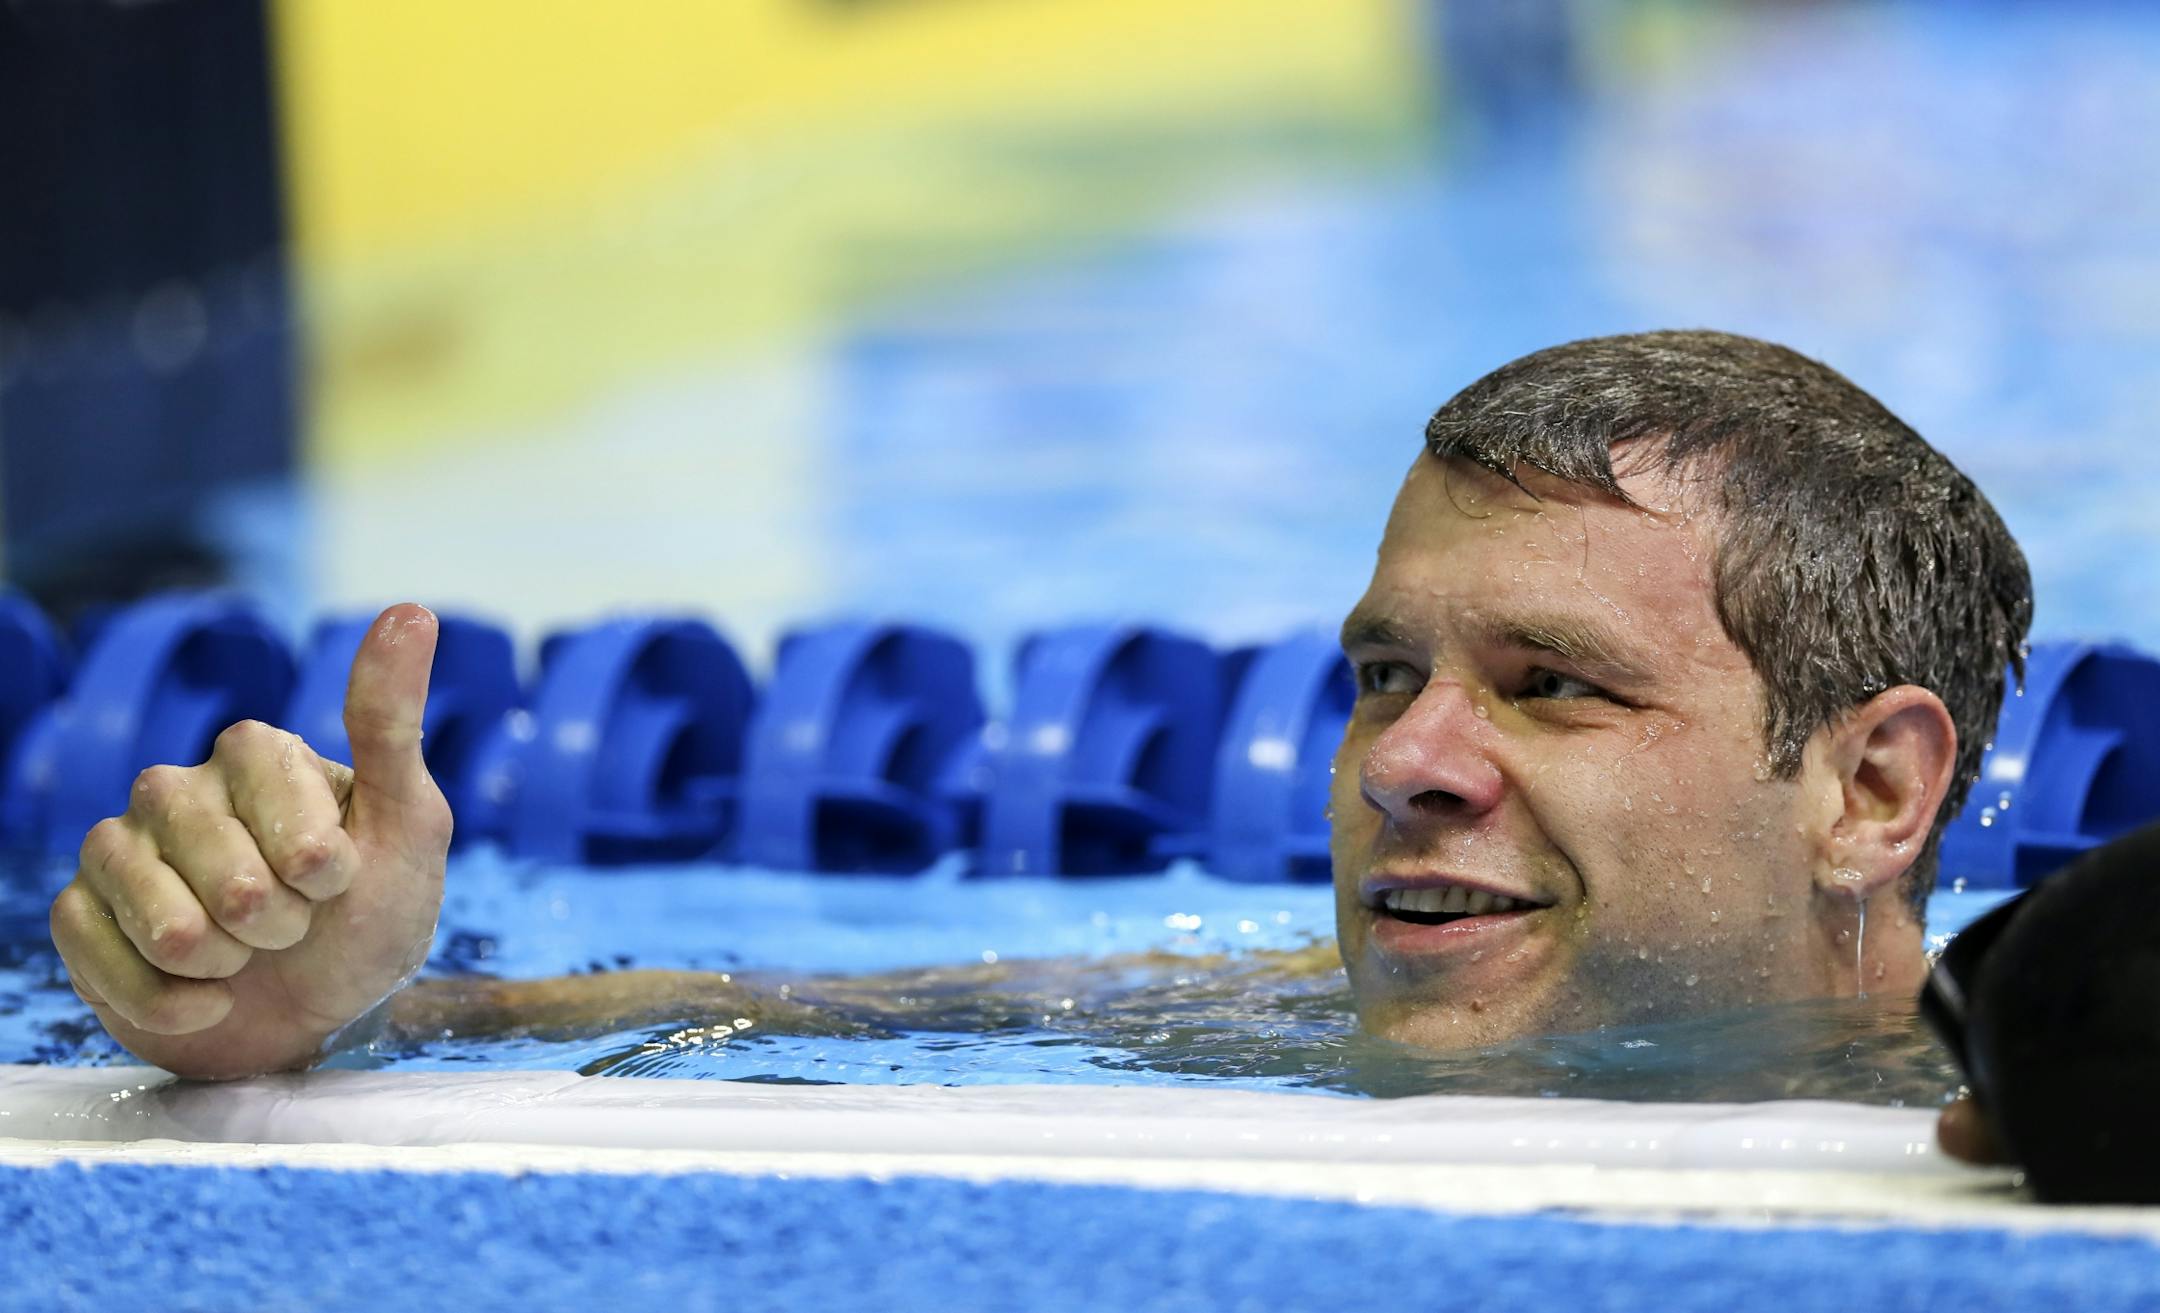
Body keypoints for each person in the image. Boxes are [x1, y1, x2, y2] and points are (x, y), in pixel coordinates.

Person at [46, 331, 2032, 1151]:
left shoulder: (2035, 1100)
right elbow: (713, 1003)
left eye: (1553, 685)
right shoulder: (1241, 1026)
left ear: (1872, 791)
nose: (1403, 764)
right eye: (1378, 673)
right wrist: (314, 1002)